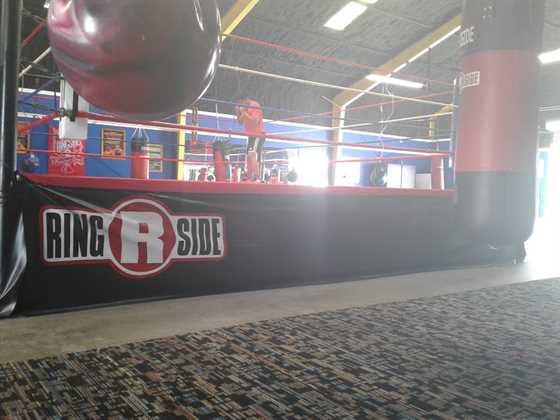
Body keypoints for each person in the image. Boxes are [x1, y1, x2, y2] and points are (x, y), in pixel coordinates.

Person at [236, 98, 265, 181]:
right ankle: (250, 176)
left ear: (245, 100)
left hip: (258, 133)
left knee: (253, 154)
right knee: (248, 155)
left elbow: (255, 121)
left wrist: (245, 113)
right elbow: (240, 122)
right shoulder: (243, 107)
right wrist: (239, 113)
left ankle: (256, 176)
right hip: (250, 135)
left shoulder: (254, 105)